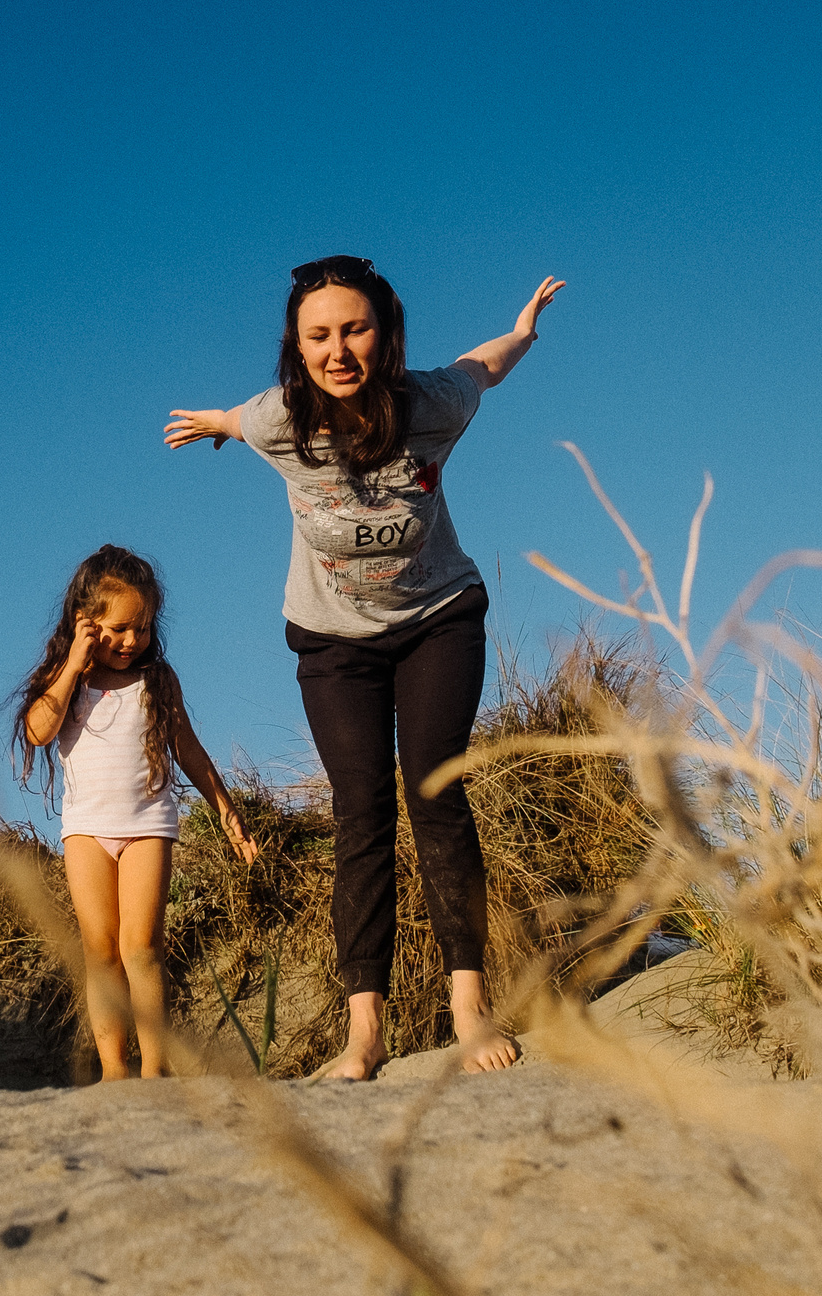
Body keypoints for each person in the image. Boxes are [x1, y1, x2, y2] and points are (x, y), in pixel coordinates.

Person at [164, 256, 565, 1080]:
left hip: (436, 620)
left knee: (435, 792)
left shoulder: (432, 405)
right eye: (318, 335)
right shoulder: (279, 418)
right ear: (297, 345)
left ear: (385, 333)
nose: (337, 350)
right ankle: (365, 1032)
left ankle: (468, 1008)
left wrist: (522, 332)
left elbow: (481, 368)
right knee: (362, 811)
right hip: (333, 640)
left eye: (354, 329)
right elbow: (240, 417)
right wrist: (215, 422)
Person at [12, 544, 258, 1080]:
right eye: (120, 628)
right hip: (86, 831)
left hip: (148, 825)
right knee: (100, 952)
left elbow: (188, 749)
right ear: (85, 623)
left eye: (142, 628)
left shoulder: (157, 680)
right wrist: (72, 665)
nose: (132, 640)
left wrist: (225, 808)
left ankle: (155, 1069)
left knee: (141, 947)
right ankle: (114, 1070)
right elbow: (37, 731)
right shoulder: (66, 679)